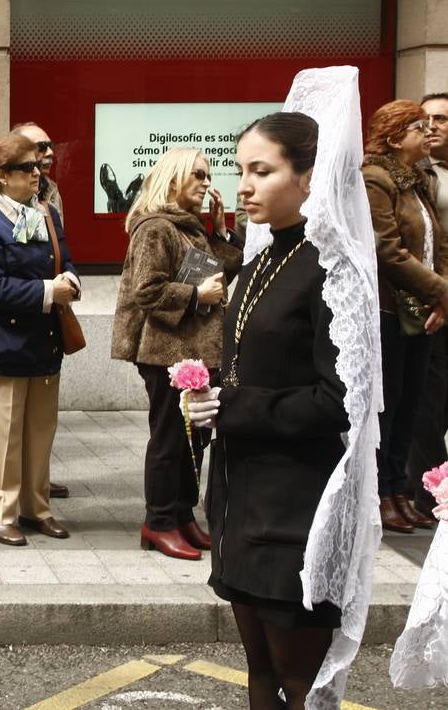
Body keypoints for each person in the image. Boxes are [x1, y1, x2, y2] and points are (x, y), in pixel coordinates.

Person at [186, 79, 382, 708]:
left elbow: (338, 403)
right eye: (240, 170)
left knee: (299, 683)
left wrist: (235, 408)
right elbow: (251, 366)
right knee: (260, 676)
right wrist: (208, 399)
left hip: (298, 512)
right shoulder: (260, 257)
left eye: (261, 171)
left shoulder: (332, 269)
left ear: (309, 178)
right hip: (242, 500)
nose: (243, 186)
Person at [111, 147, 242, 561]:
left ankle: (183, 514)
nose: (207, 183)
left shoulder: (190, 227)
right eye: (198, 176)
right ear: (173, 180)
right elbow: (146, 291)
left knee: (195, 440)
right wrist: (195, 295)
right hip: (166, 354)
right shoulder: (156, 228)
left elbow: (218, 276)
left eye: (207, 176)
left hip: (196, 351)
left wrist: (220, 232)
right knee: (170, 440)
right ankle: (160, 521)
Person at [0, 133, 79, 547]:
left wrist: (70, 280)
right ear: (2, 174)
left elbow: (65, 258)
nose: (38, 172)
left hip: (42, 341)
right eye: (27, 167)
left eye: (39, 165)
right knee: (5, 434)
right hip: (2, 342)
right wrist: (50, 291)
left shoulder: (42, 212)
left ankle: (36, 507)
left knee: (40, 431)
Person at [361, 99, 448, 534]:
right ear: (395, 137)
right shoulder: (375, 179)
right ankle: (381, 493)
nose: (427, 131)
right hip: (390, 308)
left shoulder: (417, 182)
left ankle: (400, 491)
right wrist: (441, 292)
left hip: (425, 307)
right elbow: (387, 251)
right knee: (390, 404)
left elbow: (438, 243)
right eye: (419, 125)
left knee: (413, 404)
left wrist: (440, 296)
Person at [412, 91, 448, 518]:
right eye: (425, 120)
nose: (432, 126)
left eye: (440, 118)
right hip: (433, 298)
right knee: (428, 401)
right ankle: (426, 489)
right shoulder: (415, 175)